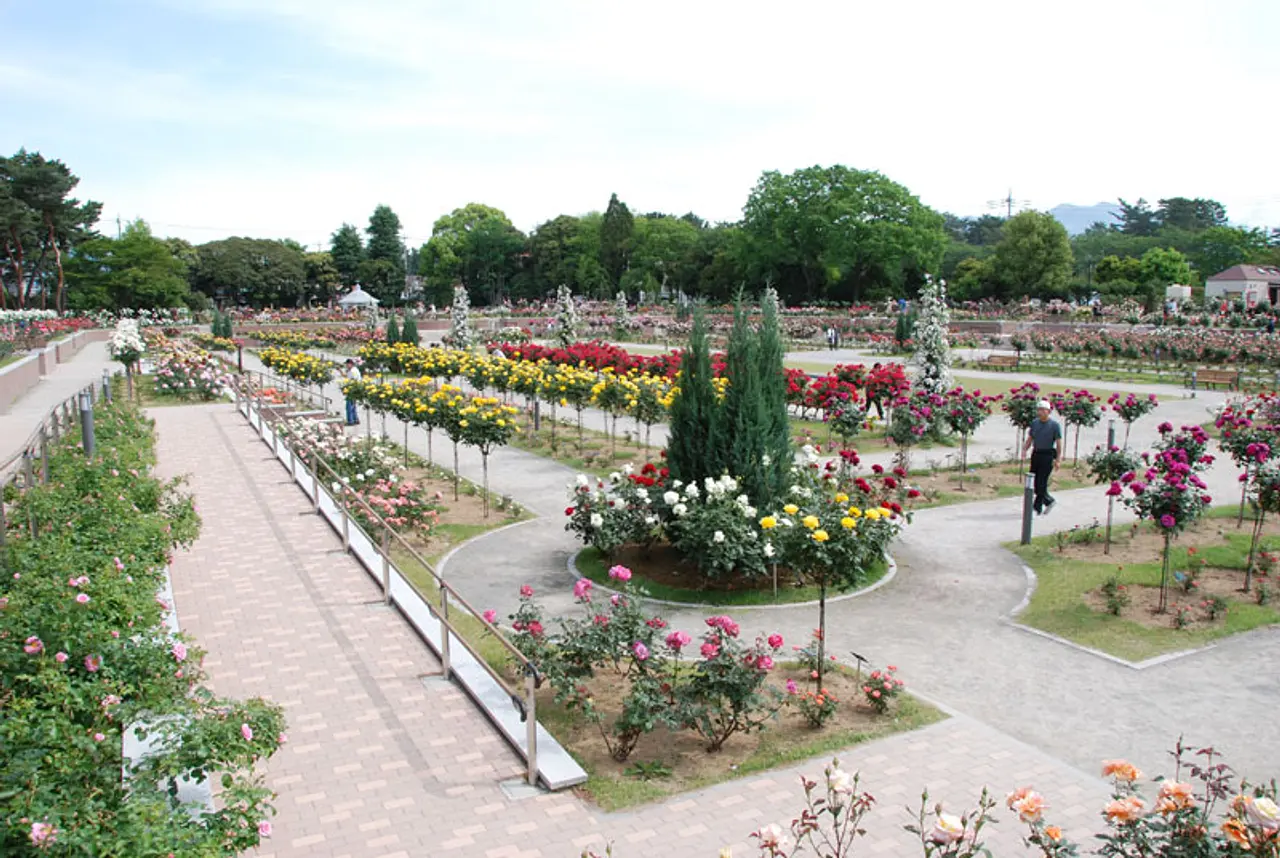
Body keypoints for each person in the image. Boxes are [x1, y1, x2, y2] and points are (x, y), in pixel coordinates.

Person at [1022, 399, 1063, 515]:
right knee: (1034, 483)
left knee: (1041, 483)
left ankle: (1038, 507)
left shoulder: (1054, 426)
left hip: (1048, 455)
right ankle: (1046, 503)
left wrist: (1058, 459)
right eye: (1038, 410)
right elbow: (1030, 438)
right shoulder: (1035, 423)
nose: (1040, 412)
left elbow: (1059, 443)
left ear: (1048, 411)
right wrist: (1025, 449)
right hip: (1036, 454)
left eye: (1042, 410)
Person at [343, 359, 361, 426]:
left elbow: (353, 380)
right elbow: (346, 377)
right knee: (352, 405)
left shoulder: (353, 371)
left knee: (349, 406)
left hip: (352, 389)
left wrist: (347, 388)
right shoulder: (352, 370)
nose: (346, 365)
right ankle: (355, 419)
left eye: (347, 364)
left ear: (351, 364)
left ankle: (350, 421)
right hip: (353, 389)